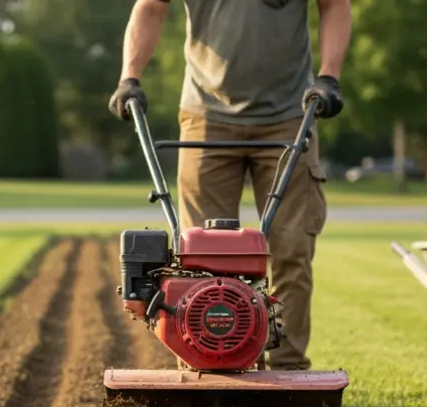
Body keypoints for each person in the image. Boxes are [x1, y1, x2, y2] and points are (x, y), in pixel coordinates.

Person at [109, 0, 351, 372]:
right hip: (205, 116)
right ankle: (200, 364)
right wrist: (129, 77)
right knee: (196, 258)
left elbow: (334, 5)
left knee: (291, 250)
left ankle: (287, 372)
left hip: (289, 115)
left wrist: (329, 76)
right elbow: (151, 7)